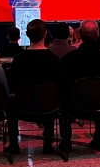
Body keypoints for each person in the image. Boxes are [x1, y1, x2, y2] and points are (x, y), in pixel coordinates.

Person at [7, 19, 64, 154]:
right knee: (49, 94)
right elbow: (60, 86)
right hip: (51, 107)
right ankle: (48, 142)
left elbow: (13, 86)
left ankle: (14, 144)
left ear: (26, 34)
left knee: (10, 98)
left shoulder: (19, 60)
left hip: (23, 107)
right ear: (45, 34)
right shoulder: (55, 60)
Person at [62, 19, 100, 151]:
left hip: (74, 106)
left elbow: (64, 84)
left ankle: (66, 140)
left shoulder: (69, 58)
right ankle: (99, 139)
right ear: (98, 34)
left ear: (79, 33)